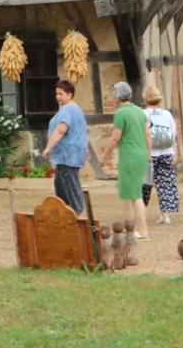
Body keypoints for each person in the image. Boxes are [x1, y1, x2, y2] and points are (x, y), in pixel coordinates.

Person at [100, 81, 151, 240]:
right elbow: (147, 134)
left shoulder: (121, 114)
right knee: (126, 191)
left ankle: (143, 232)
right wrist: (149, 154)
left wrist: (104, 156)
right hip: (141, 154)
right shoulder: (140, 111)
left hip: (129, 156)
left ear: (117, 96)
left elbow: (115, 138)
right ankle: (129, 228)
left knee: (135, 194)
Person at [40, 79, 89, 214]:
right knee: (61, 185)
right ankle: (65, 213)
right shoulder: (77, 109)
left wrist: (48, 147)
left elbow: (61, 130)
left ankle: (76, 214)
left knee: (70, 187)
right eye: (57, 94)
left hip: (68, 156)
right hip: (70, 155)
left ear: (70, 94)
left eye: (61, 94)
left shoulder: (67, 110)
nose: (58, 97)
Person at [141, 85, 180, 224]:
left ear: (145, 99)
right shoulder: (167, 114)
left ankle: (141, 214)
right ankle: (165, 216)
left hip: (150, 154)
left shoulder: (143, 114)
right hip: (166, 152)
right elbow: (174, 133)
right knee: (165, 184)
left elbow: (142, 135)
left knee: (145, 184)